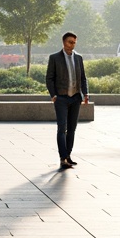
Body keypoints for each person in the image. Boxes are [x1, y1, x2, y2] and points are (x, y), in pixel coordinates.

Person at [46, 31, 89, 170]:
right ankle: (62, 157)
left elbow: (83, 78)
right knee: (62, 128)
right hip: (61, 98)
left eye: (74, 42)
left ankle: (68, 156)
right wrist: (53, 95)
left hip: (76, 98)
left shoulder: (78, 58)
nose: (72, 44)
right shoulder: (55, 58)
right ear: (64, 42)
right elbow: (49, 78)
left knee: (72, 129)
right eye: (70, 42)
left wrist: (85, 93)